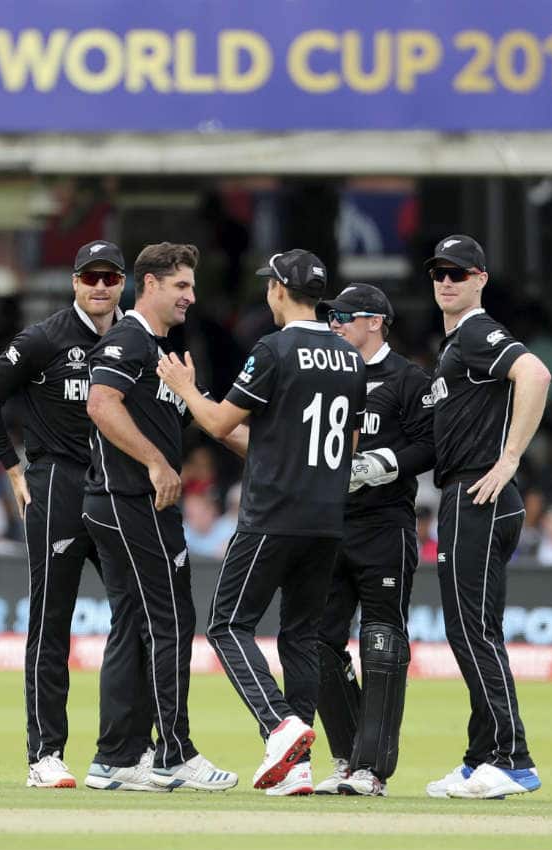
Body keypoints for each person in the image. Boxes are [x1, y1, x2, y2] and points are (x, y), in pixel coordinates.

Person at [157, 249, 365, 796]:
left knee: (227, 624)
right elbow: (345, 446)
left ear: (278, 289)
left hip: (273, 513)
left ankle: (279, 724)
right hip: (326, 517)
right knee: (301, 637)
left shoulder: (274, 349)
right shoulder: (350, 358)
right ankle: (297, 768)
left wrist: (185, 389)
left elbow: (219, 421)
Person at [0, 240, 125, 788]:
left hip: (119, 487)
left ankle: (128, 752)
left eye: (110, 277)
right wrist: (13, 469)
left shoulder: (135, 338)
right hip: (59, 483)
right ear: (75, 282)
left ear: (122, 284)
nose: (99, 286)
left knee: (138, 616)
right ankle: (45, 755)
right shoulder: (44, 338)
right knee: (52, 620)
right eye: (90, 277)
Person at [82, 242, 237, 793]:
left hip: (126, 504)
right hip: (131, 500)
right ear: (149, 284)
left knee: (132, 624)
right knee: (170, 620)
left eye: (192, 286)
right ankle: (175, 753)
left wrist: (287, 463)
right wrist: (155, 463)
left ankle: (117, 758)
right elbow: (100, 403)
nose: (191, 297)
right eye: (181, 286)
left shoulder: (164, 356)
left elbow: (217, 423)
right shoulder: (129, 339)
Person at [420, 235, 551, 800]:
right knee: (478, 630)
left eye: (458, 273)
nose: (446, 281)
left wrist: (510, 458)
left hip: (478, 493)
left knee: (470, 630)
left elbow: (536, 374)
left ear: (480, 279)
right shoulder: (457, 341)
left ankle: (512, 758)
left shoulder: (476, 332)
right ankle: (481, 759)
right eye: (439, 273)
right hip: (476, 495)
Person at [305, 284, 435, 797]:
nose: (334, 323)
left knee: (381, 641)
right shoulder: (325, 374)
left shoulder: (408, 378)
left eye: (344, 316)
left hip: (384, 525)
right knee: (315, 640)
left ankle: (372, 770)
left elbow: (432, 444)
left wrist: (385, 463)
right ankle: (349, 756)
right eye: (330, 316)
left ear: (375, 321)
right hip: (327, 525)